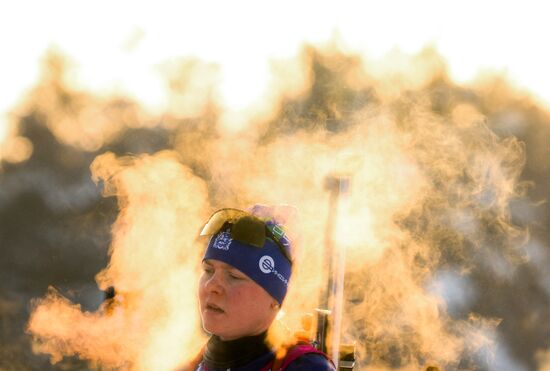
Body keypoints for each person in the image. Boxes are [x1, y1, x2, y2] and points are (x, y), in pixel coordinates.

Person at [188, 207, 336, 371]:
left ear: (275, 298)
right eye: (208, 271)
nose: (211, 286)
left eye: (234, 276)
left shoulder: (306, 367)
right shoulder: (194, 363)